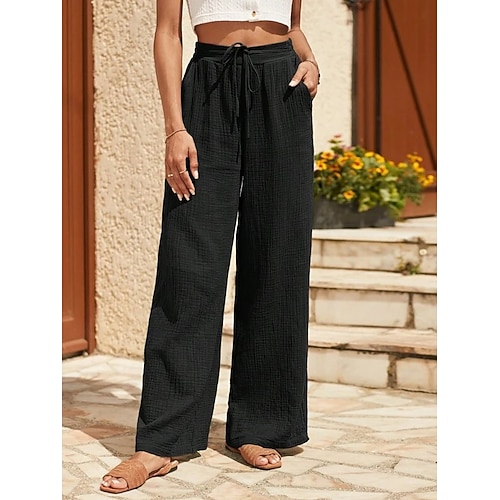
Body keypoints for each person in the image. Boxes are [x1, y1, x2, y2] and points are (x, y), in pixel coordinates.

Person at [100, 0, 320, 493]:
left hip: (283, 90)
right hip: (207, 87)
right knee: (188, 264)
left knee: (278, 258)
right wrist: (175, 128)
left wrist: (310, 62)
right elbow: (168, 33)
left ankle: (262, 424)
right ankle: (161, 440)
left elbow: (294, 27)